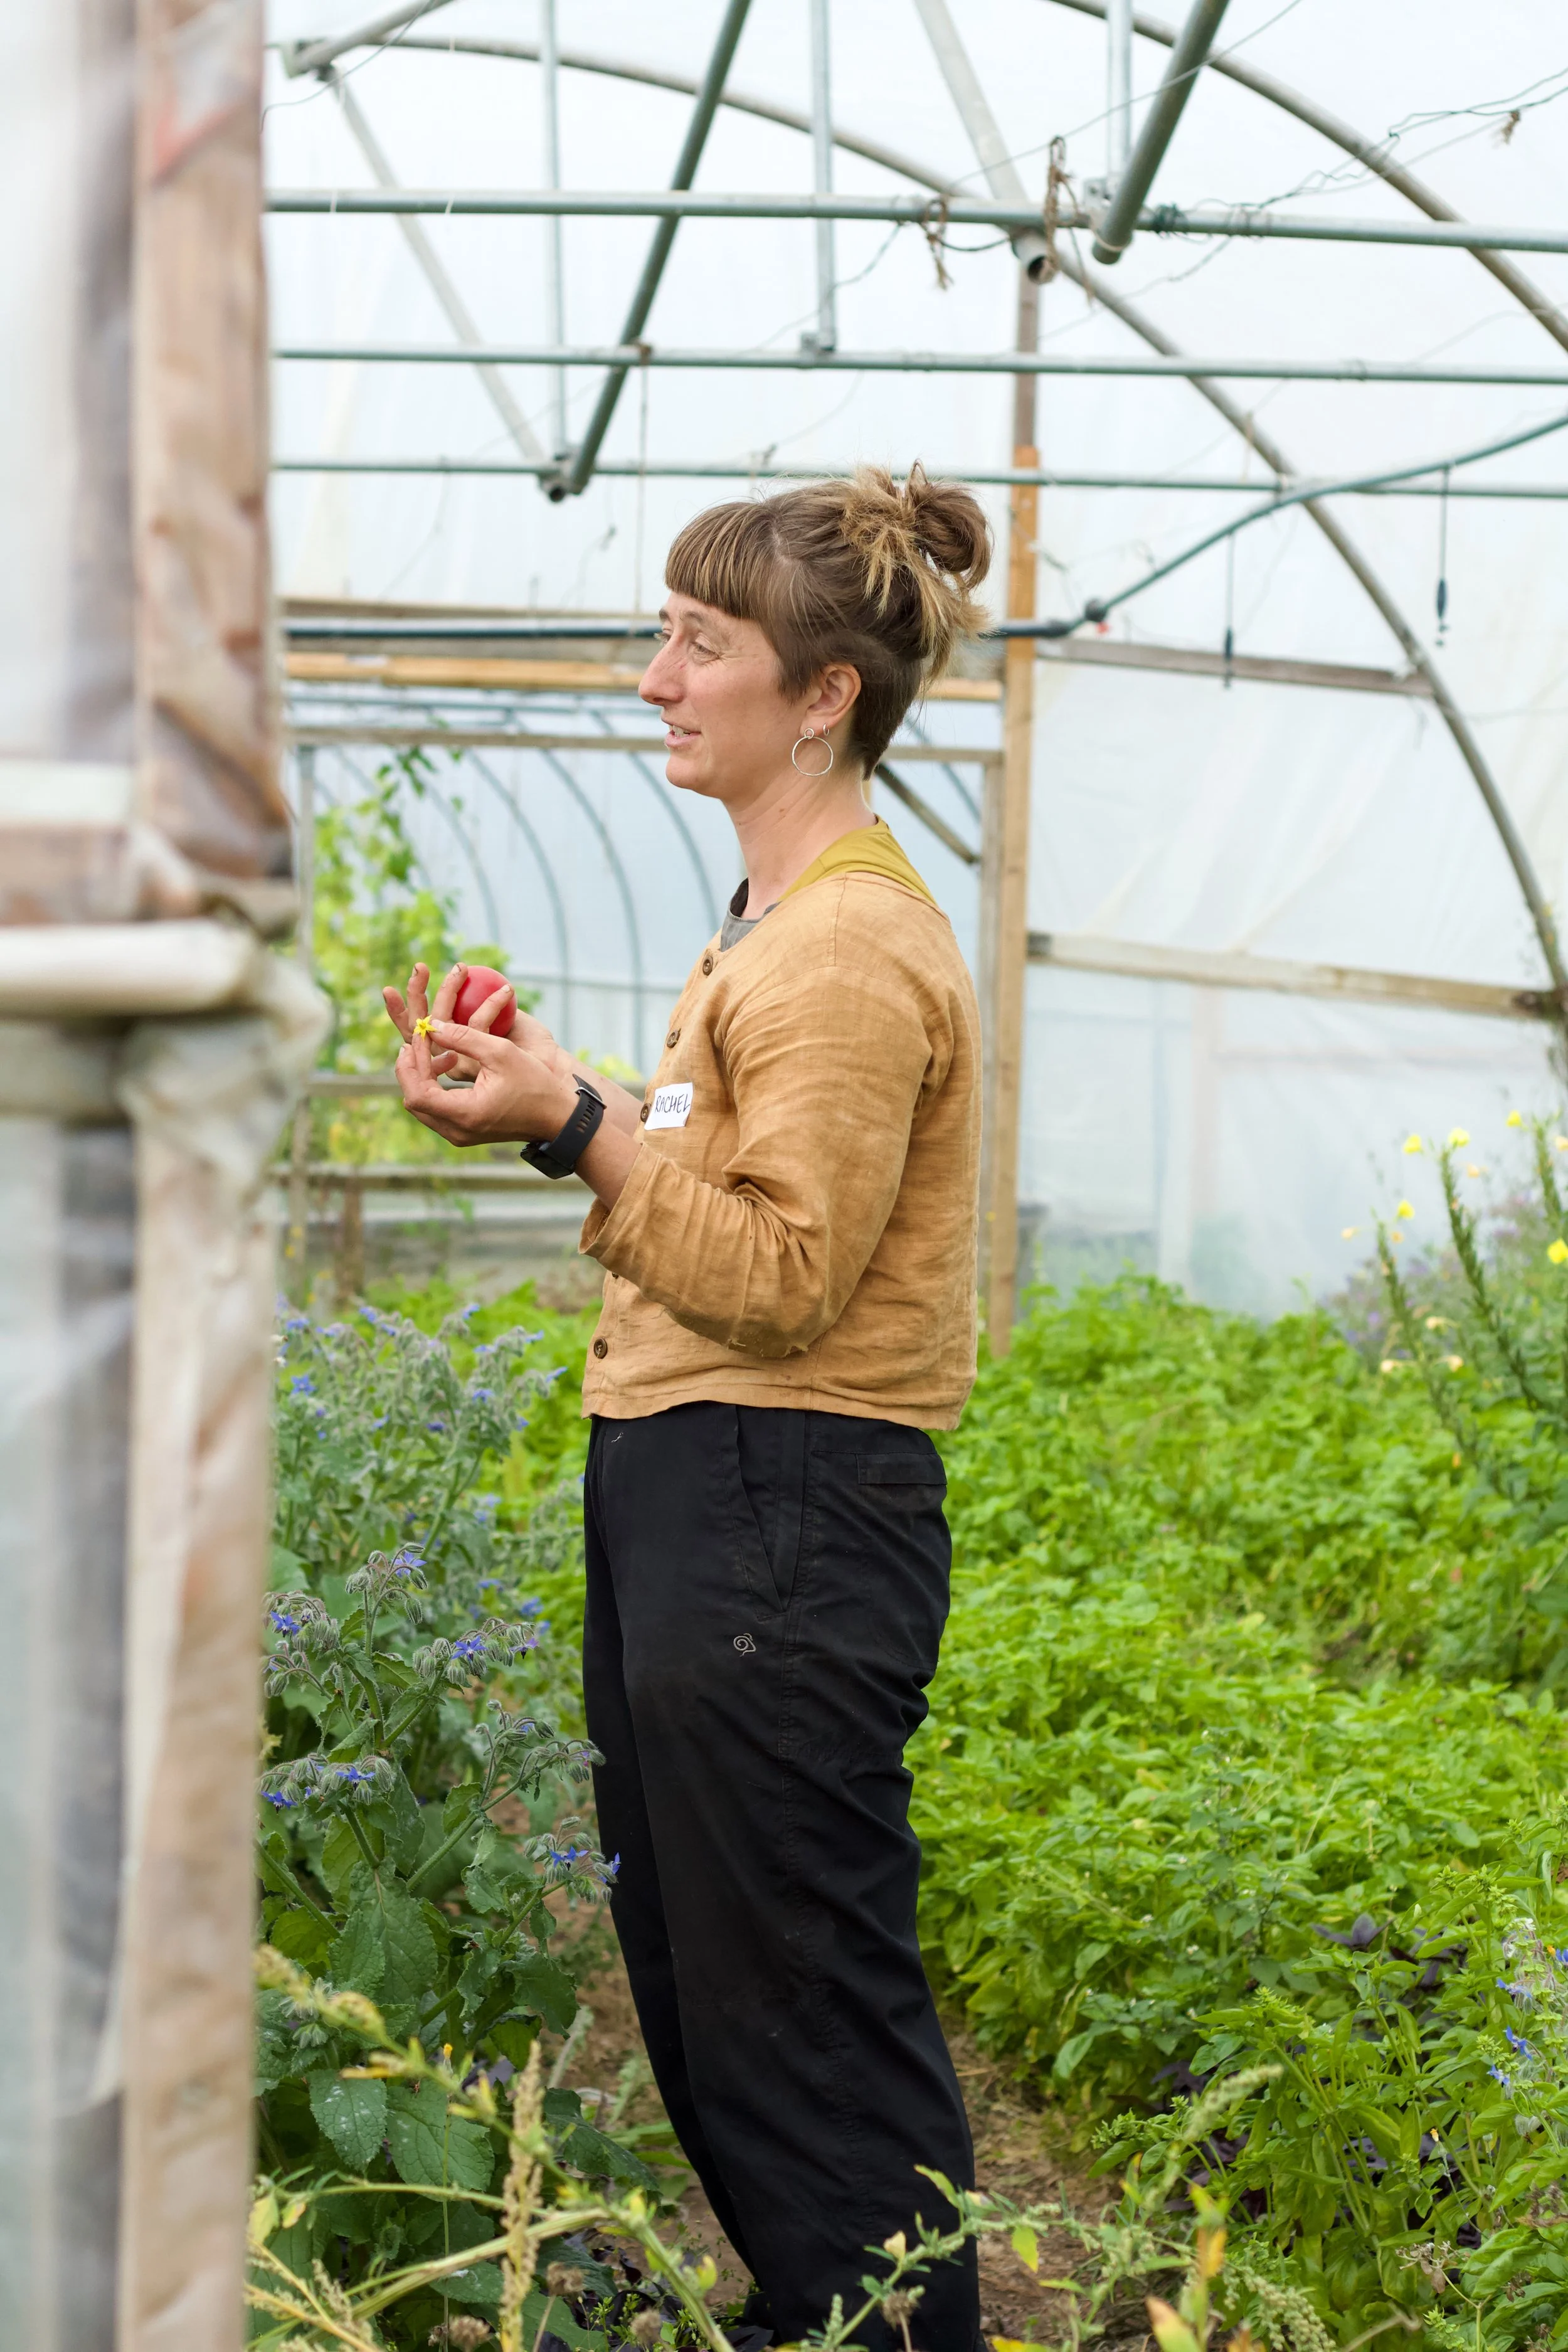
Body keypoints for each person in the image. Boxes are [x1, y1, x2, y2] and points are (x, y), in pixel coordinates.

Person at [385, 467, 992, 2351]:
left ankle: (884, 2328)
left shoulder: (839, 951)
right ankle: (822, 2313)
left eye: (698, 642)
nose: (658, 676)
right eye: (667, 632)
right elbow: (724, 1191)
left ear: (820, 695)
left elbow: (788, 1276)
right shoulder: (773, 921)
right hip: (724, 1492)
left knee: (796, 1989)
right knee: (722, 1980)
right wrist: (564, 1091)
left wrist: (571, 1125)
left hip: (780, 1504)